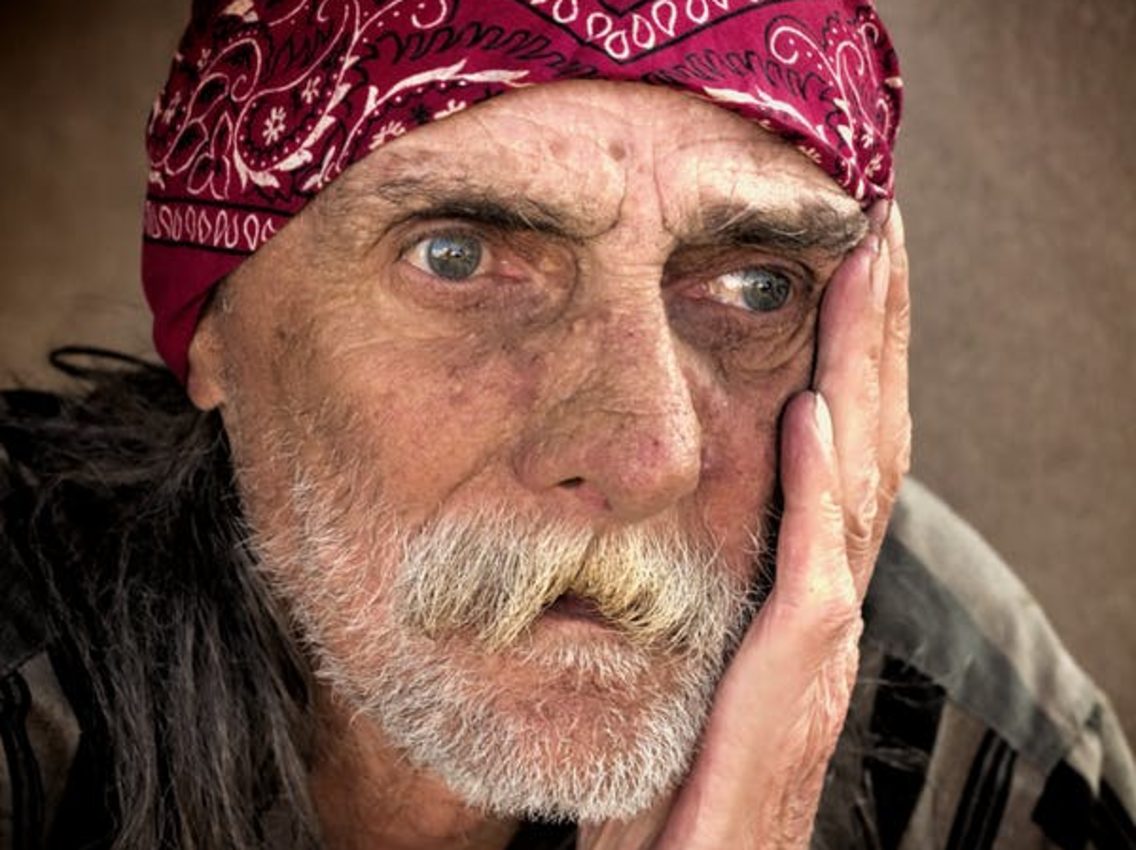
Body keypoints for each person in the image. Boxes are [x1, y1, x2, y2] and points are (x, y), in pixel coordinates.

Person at [0, 2, 1132, 849]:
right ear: (216, 325)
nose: (646, 456)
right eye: (456, 259)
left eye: (755, 288)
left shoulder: (971, 747)